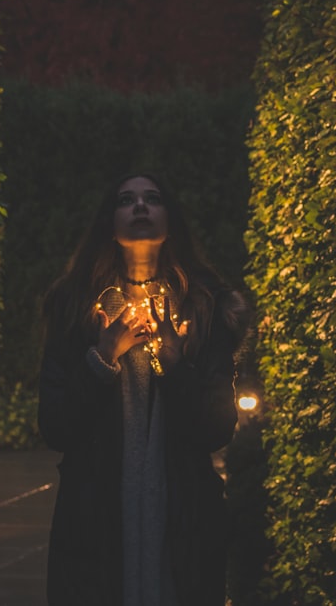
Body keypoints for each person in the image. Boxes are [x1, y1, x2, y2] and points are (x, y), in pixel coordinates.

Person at [38, 172, 250, 606]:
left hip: (183, 519)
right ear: (109, 223)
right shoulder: (76, 306)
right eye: (126, 200)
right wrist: (101, 359)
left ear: (169, 221)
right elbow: (55, 426)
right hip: (94, 517)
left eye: (151, 198)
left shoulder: (204, 307)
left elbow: (217, 429)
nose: (139, 206)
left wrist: (174, 366)